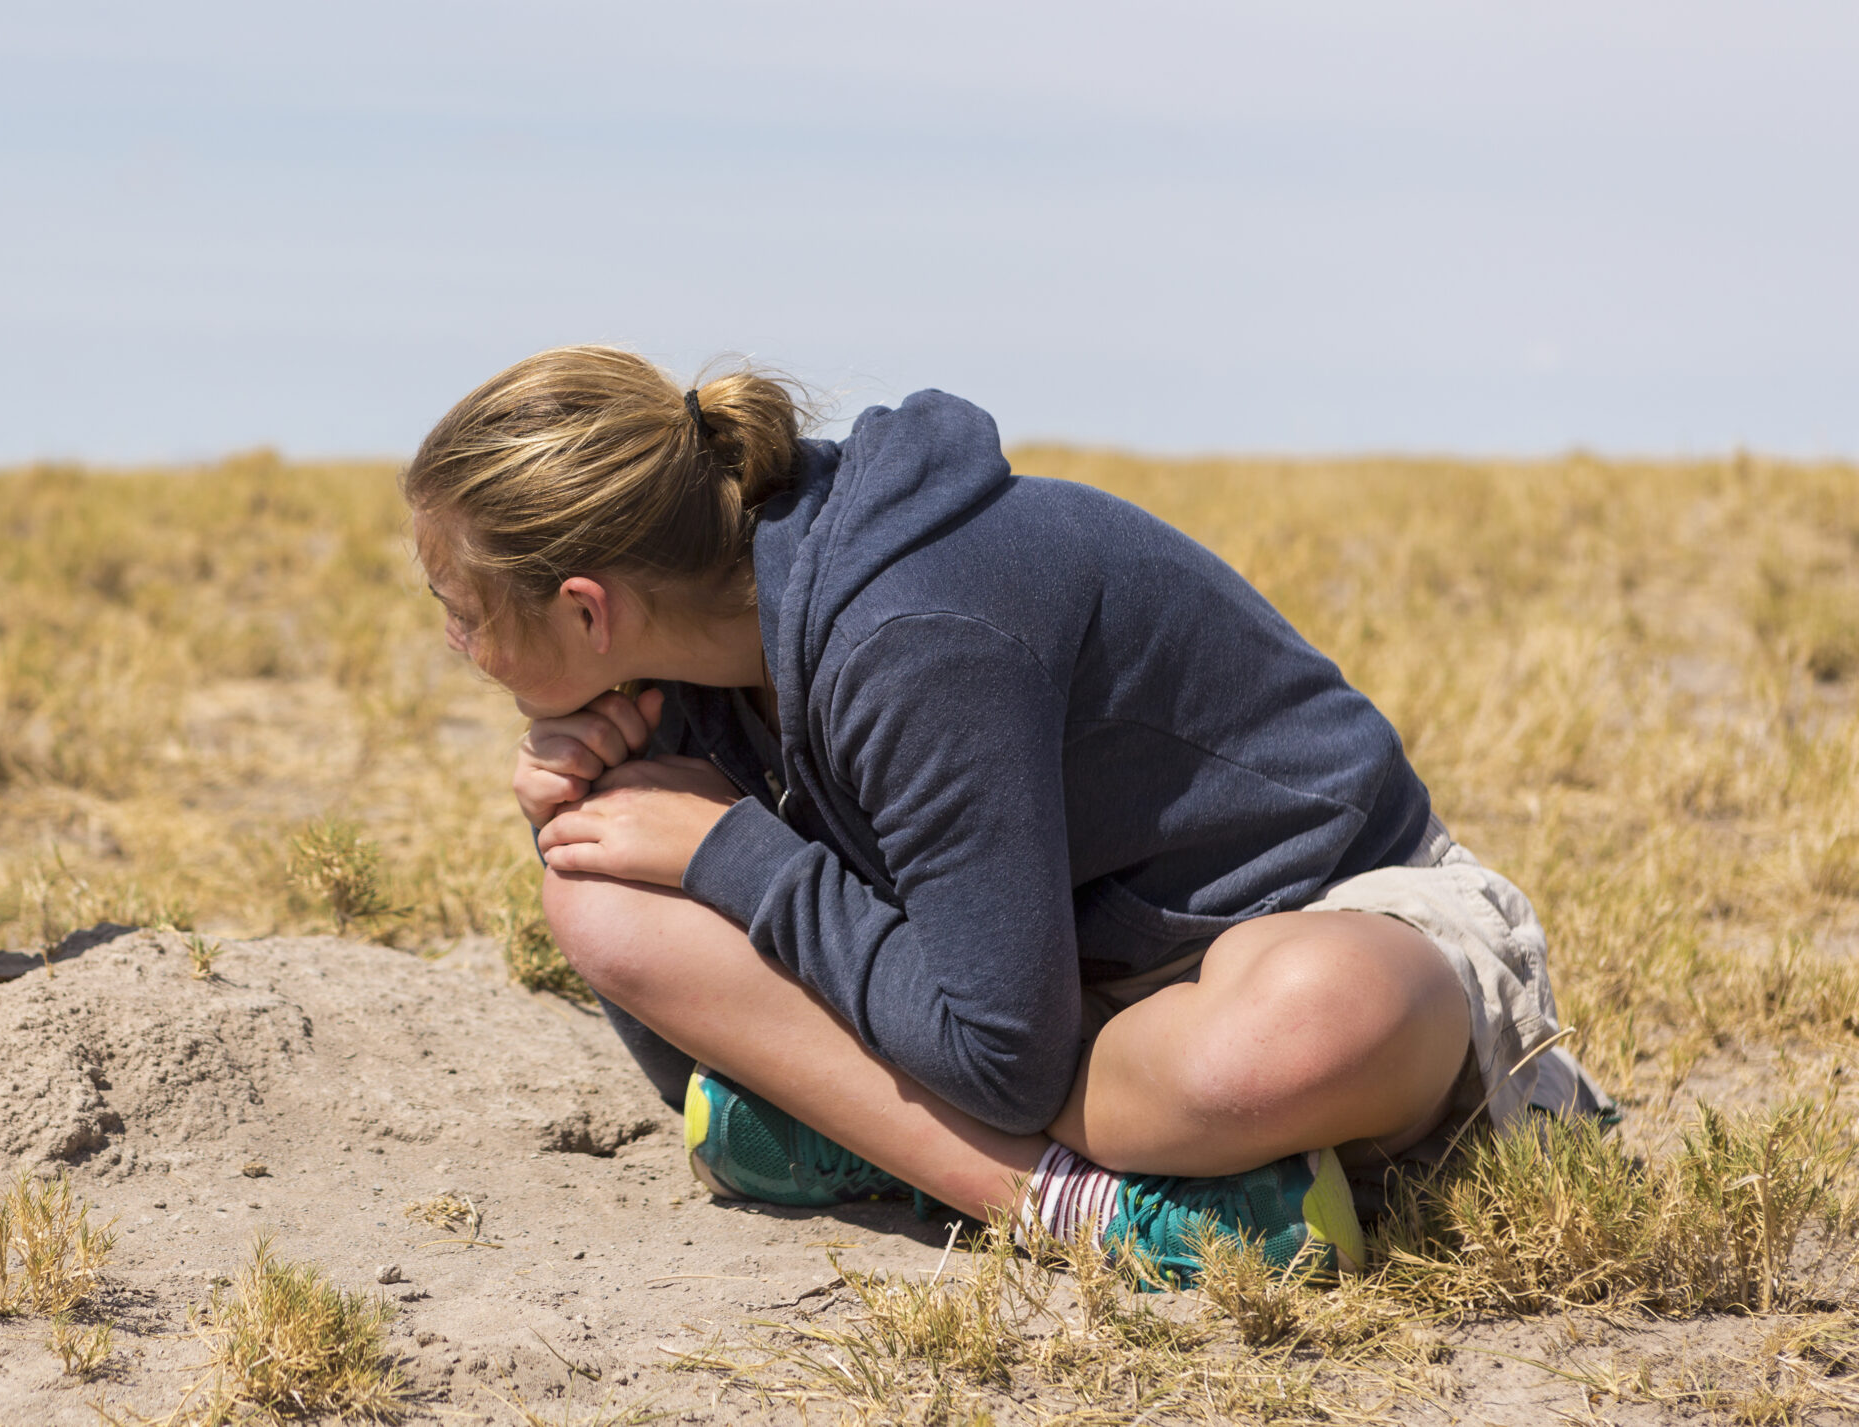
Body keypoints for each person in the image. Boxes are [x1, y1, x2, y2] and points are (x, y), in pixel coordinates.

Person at [405, 347, 1606, 1281]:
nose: (456, 643)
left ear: (585, 608)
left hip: (1296, 915)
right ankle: (1109, 1206)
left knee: (1295, 1030)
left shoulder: (913, 634)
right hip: (1035, 999)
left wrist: (736, 856)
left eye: (460, 611)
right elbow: (691, 1057)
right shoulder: (681, 663)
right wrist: (573, 799)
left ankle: (967, 1168)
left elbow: (1000, 1056)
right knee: (596, 880)